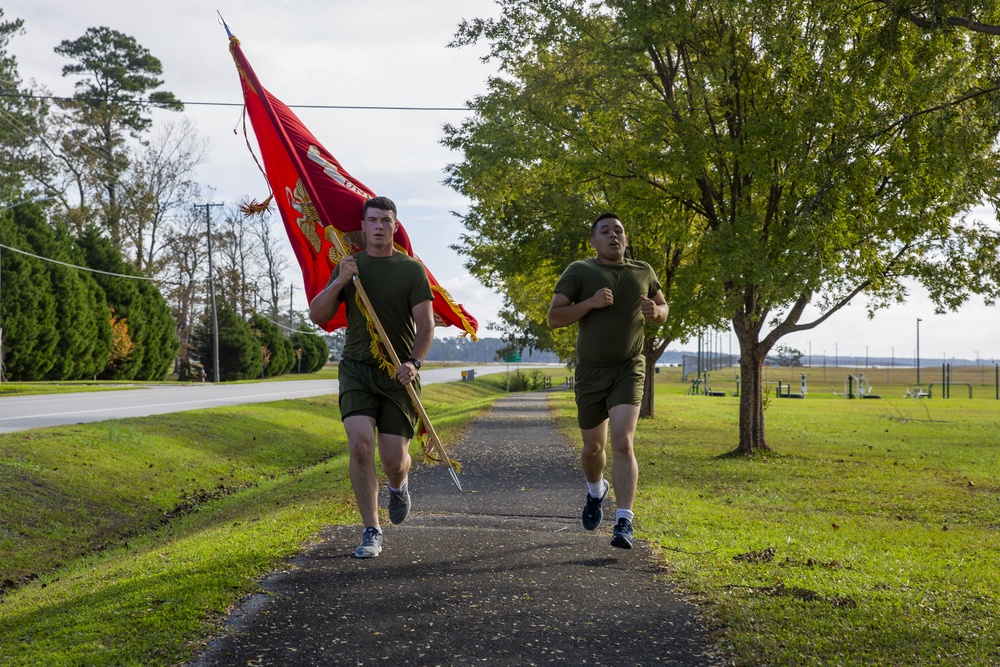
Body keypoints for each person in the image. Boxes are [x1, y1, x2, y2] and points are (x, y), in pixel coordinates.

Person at [309, 196, 434, 558]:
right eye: (373, 220)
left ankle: (399, 485)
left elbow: (426, 325)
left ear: (395, 227)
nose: (379, 226)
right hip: (357, 369)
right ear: (363, 227)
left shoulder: (411, 269)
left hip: (398, 373)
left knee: (394, 460)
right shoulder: (350, 265)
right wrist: (340, 280)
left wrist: (414, 363)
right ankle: (371, 529)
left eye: (386, 220)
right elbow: (318, 314)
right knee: (361, 446)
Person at [547, 213, 669, 549]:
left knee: (623, 442)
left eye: (619, 231)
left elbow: (663, 305)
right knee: (592, 448)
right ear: (593, 241)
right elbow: (554, 317)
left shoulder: (643, 271)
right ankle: (595, 490)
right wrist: (590, 303)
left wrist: (656, 313)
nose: (613, 236)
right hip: (590, 372)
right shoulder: (580, 271)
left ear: (625, 239)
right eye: (605, 231)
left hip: (629, 368)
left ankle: (624, 522)